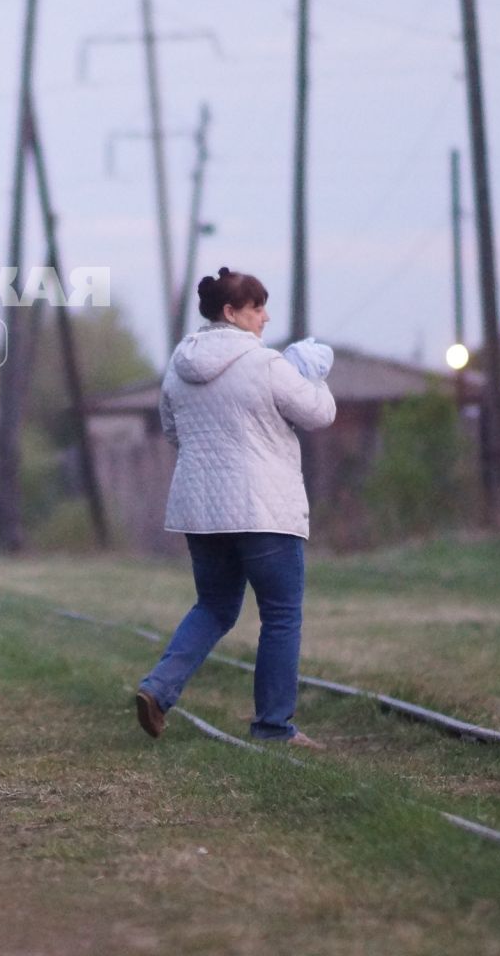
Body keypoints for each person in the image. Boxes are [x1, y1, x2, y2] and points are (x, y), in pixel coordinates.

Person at [134, 267, 337, 746]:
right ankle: (272, 726)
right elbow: (319, 414)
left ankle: (157, 690)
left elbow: (172, 432)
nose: (266, 317)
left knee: (214, 606)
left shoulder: (178, 367)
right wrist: (314, 372)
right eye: (256, 307)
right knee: (281, 615)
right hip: (263, 510)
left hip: (201, 512)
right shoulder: (266, 365)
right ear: (231, 312)